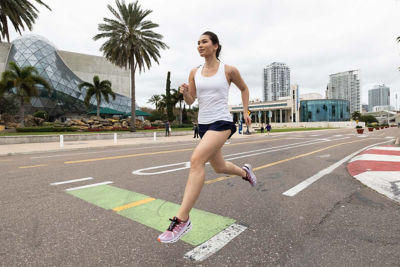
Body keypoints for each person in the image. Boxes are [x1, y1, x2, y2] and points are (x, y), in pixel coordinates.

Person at [157, 31, 257, 243]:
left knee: (196, 161)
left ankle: (182, 220)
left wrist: (246, 112)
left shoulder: (228, 70)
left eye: (204, 42)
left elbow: (244, 88)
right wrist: (184, 92)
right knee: (219, 167)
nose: (200, 45)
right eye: (198, 43)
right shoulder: (194, 72)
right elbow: (192, 100)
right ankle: (244, 172)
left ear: (215, 46)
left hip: (221, 122)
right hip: (204, 125)